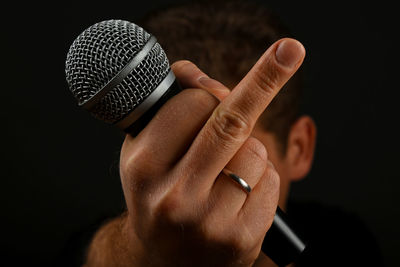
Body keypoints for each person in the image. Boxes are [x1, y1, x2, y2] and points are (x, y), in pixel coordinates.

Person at [65, 1, 383, 266]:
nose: (201, 200)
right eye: (183, 160)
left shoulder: (348, 244)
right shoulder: (96, 249)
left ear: (298, 147)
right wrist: (141, 252)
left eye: (232, 159)